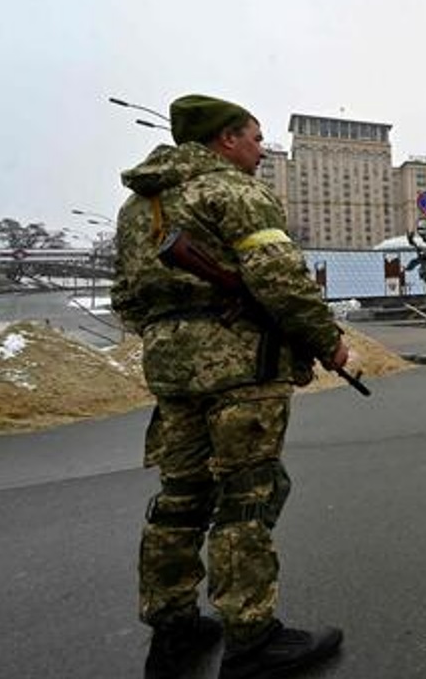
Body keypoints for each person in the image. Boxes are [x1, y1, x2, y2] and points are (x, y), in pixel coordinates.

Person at [113, 94, 352, 678]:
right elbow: (281, 280)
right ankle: (252, 638)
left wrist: (177, 333)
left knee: (180, 496)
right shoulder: (234, 191)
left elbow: (126, 299)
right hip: (240, 369)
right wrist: (328, 340)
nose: (262, 150)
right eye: (255, 137)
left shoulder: (138, 207)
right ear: (226, 139)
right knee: (248, 494)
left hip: (171, 369)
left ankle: (173, 629)